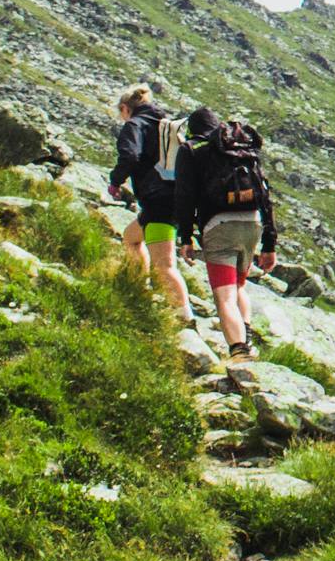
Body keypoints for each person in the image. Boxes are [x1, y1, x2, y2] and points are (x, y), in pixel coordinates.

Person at [172, 106, 276, 363]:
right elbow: (265, 194)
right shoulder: (240, 149)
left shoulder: (191, 150)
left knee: (224, 294)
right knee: (239, 285)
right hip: (252, 223)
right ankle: (246, 332)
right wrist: (269, 244)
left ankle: (240, 351)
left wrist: (185, 237)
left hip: (219, 228)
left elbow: (184, 196)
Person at [105, 84, 188, 317]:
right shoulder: (166, 126)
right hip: (176, 199)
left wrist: (115, 181)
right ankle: (138, 288)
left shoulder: (134, 125)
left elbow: (130, 155)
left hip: (159, 201)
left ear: (125, 108)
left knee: (165, 265)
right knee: (131, 237)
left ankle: (185, 317)